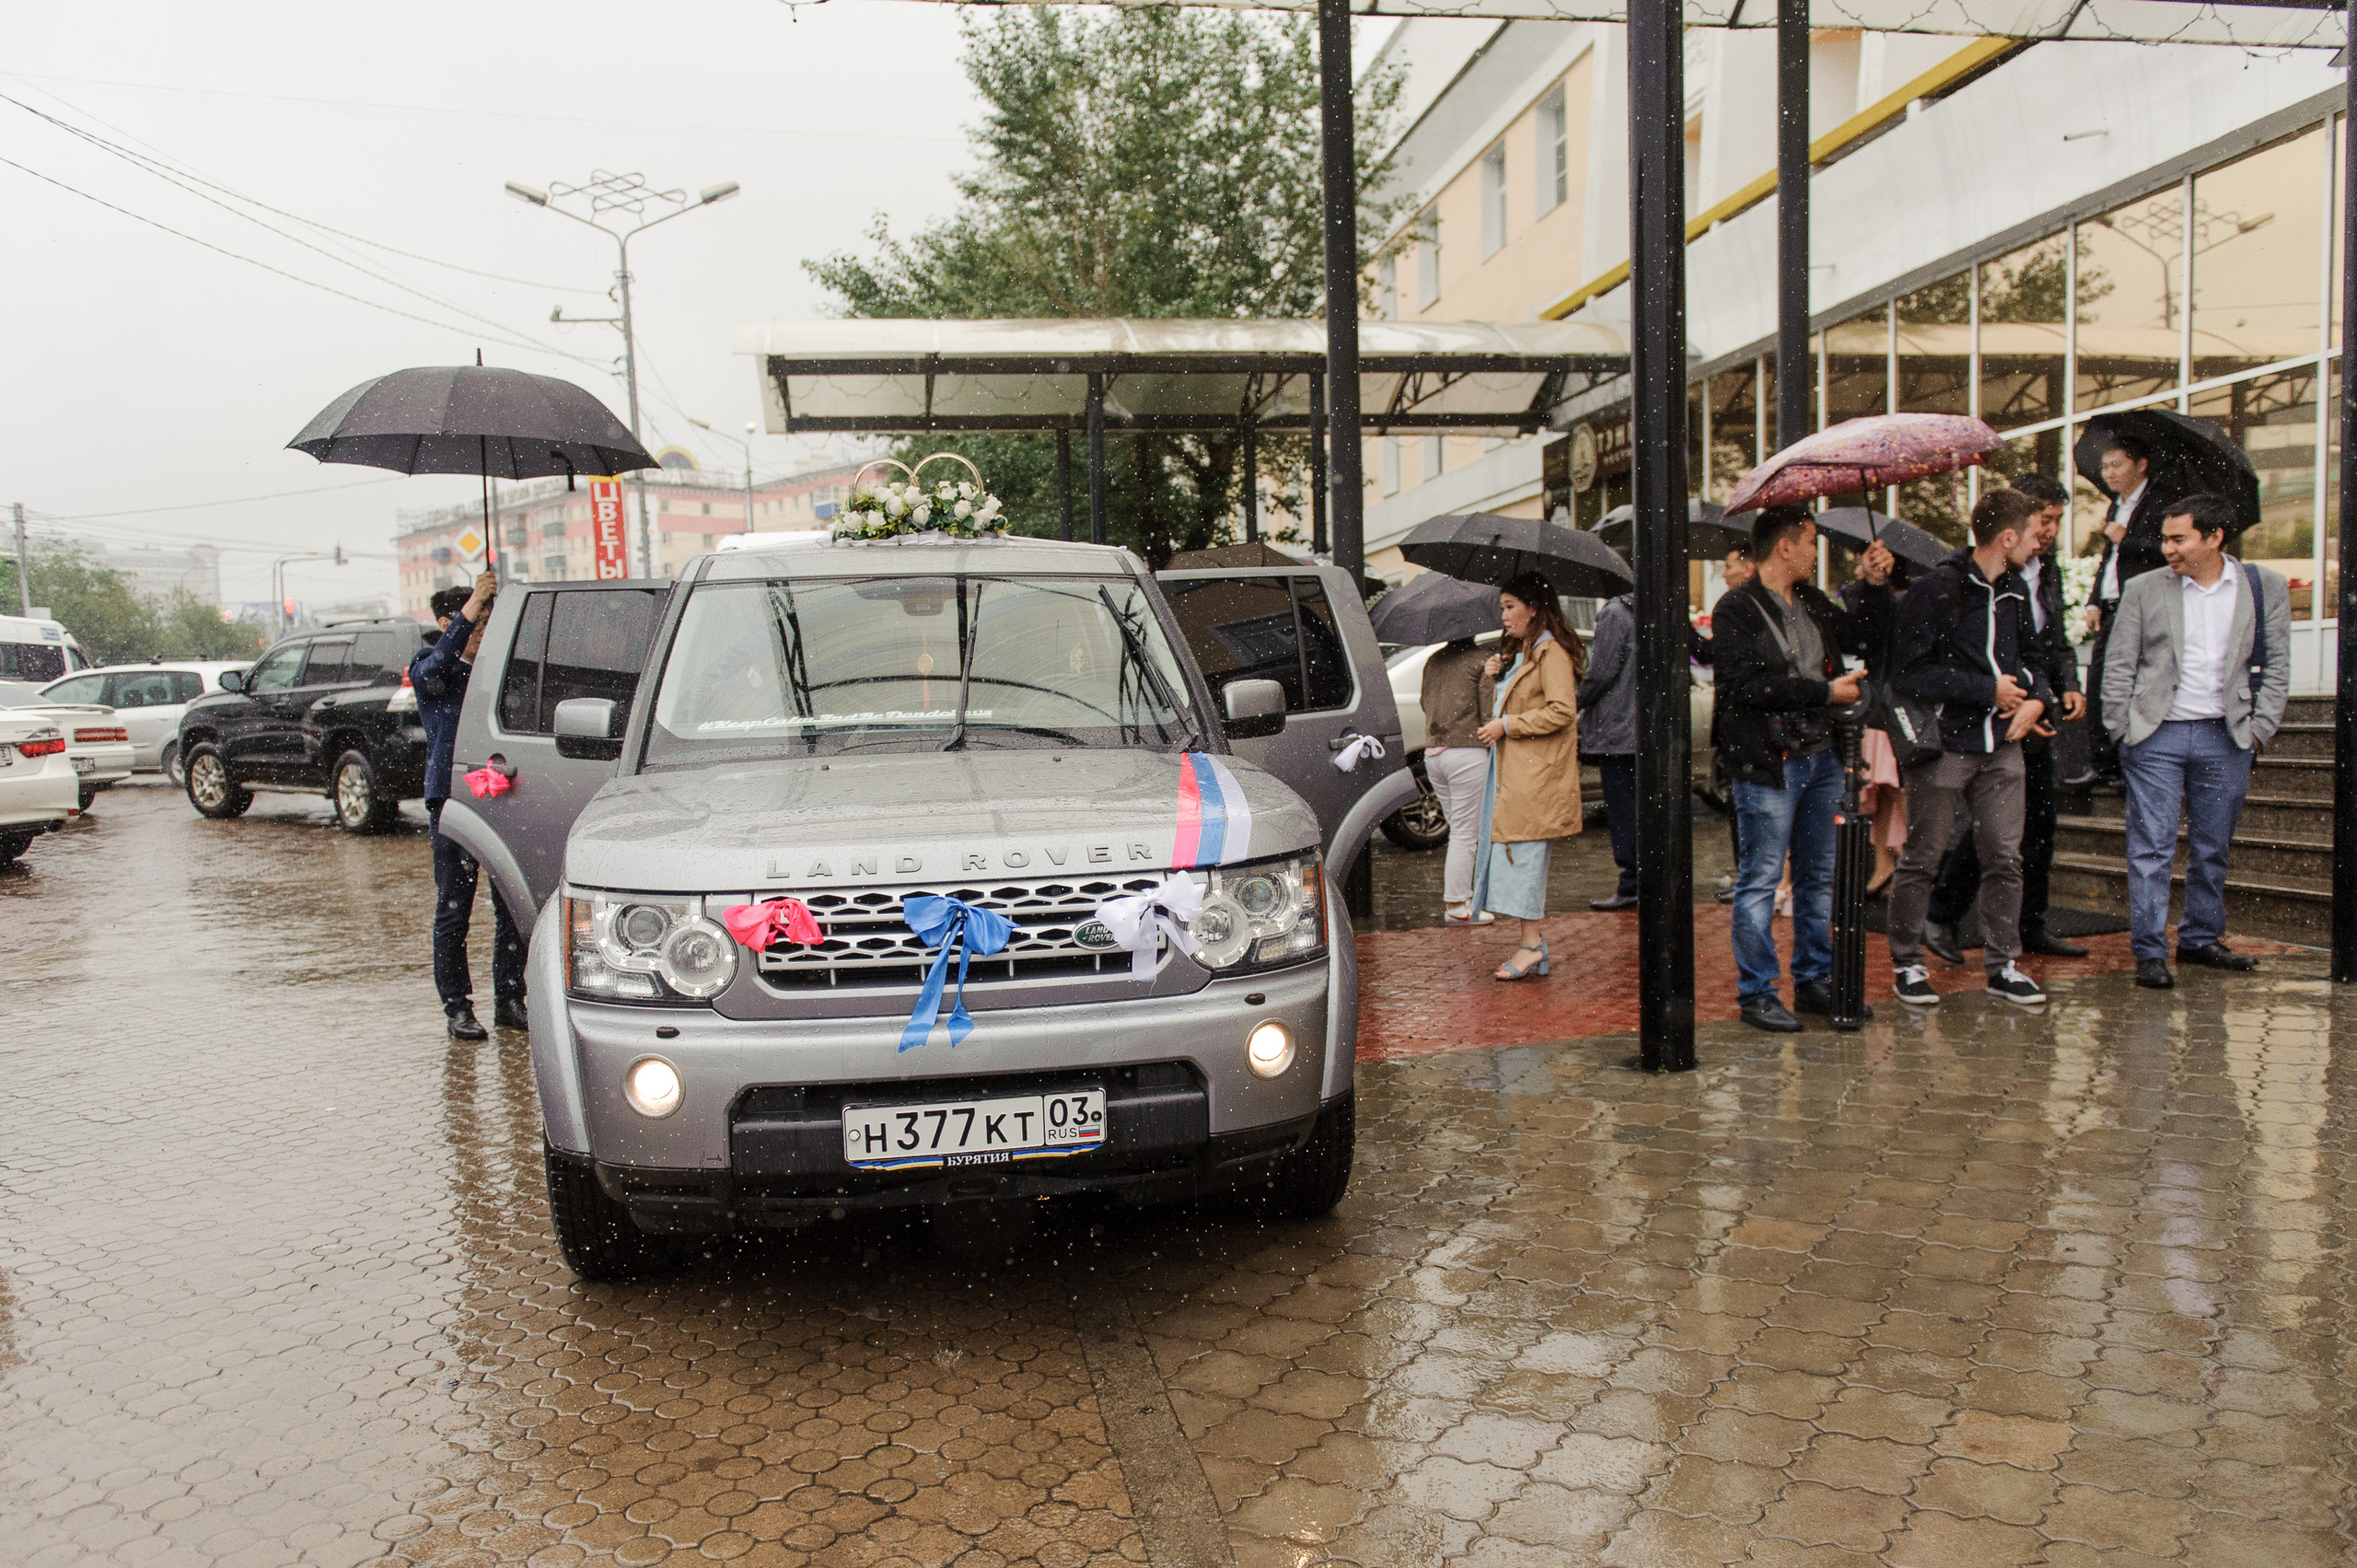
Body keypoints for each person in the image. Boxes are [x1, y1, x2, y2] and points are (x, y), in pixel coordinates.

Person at [1710, 506, 1894, 1032]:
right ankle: (1758, 993)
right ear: (1784, 547)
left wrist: (1874, 584)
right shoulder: (1736, 610)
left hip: (1822, 756)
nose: (1817, 552)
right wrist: (1821, 692)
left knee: (1818, 876)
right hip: (1769, 762)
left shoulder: (1811, 601)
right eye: (1811, 542)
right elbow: (1741, 687)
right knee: (1762, 879)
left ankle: (1814, 979)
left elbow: (1862, 635)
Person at [2102, 493, 2290, 990]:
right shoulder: (2144, 588)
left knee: (2213, 847)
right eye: (2165, 538)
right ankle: (2149, 950)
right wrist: (2122, 729)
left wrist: (2258, 731)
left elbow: (2277, 666)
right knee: (2152, 848)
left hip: (2225, 737)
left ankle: (2200, 939)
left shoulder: (2262, 586)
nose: (2168, 548)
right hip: (2155, 736)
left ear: (2214, 537)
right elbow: (2119, 663)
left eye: (2178, 538)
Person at [1885, 489, 2054, 1009]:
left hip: (2003, 745)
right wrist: (1987, 691)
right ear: (2007, 537)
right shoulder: (1934, 590)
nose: (2039, 542)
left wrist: (2038, 702)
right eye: (2032, 533)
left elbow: (2035, 656)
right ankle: (1907, 964)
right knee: (1923, 857)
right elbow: (1908, 672)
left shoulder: (2016, 592)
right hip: (1944, 748)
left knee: (2005, 856)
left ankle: (2003, 966)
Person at [1922, 474, 2089, 962]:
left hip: (2033, 708)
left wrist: (2061, 688)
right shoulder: (1972, 576)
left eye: (2058, 521)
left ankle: (2030, 923)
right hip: (1986, 716)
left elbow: (2048, 638)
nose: (2052, 532)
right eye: (2045, 521)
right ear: (2014, 526)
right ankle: (1942, 914)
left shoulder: (2046, 570)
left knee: (2039, 825)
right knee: (1994, 830)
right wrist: (2010, 698)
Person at [412, 573, 527, 1041]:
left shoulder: (496, 674)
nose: (485, 631)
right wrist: (476, 600)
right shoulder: (431, 666)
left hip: (499, 799)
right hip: (454, 803)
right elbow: (436, 667)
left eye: (487, 622)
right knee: (454, 911)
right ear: (449, 622)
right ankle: (457, 1007)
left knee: (510, 906)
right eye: (479, 622)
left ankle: (509, 998)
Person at [1471, 572, 1583, 981]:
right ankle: (1531, 945)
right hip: (1517, 776)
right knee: (1514, 859)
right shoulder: (1526, 652)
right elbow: (1512, 705)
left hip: (1534, 780)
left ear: (1533, 608)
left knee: (1524, 860)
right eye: (1503, 607)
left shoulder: (1550, 654)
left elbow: (1561, 711)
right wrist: (1497, 676)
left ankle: (1531, 946)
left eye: (1510, 606)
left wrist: (1508, 725)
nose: (1504, 615)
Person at [2068, 435, 2174, 787]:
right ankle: (2102, 762)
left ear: (2140, 464)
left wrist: (2124, 538)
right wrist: (2095, 599)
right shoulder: (2117, 504)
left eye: (2117, 465)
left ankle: (2127, 762)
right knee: (2100, 679)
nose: (2109, 473)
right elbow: (2108, 559)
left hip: (2143, 604)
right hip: (2112, 604)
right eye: (2105, 467)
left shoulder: (2160, 502)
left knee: (2130, 681)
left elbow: (2167, 553)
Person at [1420, 635, 1497, 925]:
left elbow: (1424, 702)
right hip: (1467, 751)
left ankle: (1462, 898)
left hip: (1434, 753)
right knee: (1467, 833)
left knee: (1459, 831)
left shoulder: (1433, 660)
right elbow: (1488, 710)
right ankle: (1457, 905)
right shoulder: (1483, 660)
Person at [1576, 590, 1639, 911]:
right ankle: (1643, 880)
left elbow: (1601, 672)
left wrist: (1574, 699)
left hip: (1618, 730)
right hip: (1643, 729)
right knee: (1638, 808)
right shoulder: (1648, 608)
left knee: (1623, 809)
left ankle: (1632, 883)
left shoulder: (1614, 613)